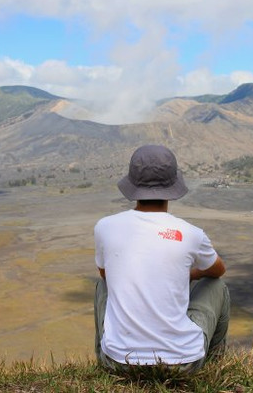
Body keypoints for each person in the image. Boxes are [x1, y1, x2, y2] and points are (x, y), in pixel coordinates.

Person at [94, 144, 230, 373]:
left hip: (119, 364)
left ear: (131, 184)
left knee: (101, 286)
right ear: (173, 185)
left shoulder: (104, 227)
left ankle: (105, 353)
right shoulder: (191, 234)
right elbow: (218, 271)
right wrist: (189, 274)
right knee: (218, 287)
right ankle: (213, 364)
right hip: (183, 364)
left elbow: (106, 275)